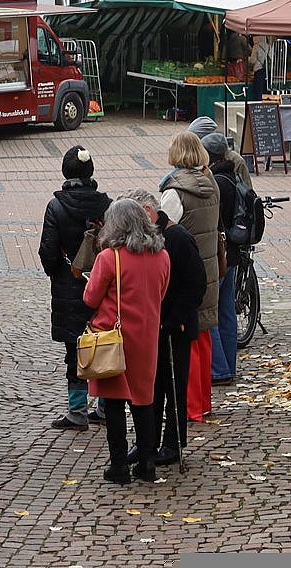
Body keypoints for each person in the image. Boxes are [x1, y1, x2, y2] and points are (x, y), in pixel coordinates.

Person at [81, 199, 172, 484]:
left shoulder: (110, 257)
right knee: (144, 402)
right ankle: (146, 463)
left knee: (115, 403)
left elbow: (90, 298)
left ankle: (119, 466)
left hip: (114, 338)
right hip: (146, 337)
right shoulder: (162, 256)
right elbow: (162, 293)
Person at [120, 189, 201, 470]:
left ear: (147, 211)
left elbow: (196, 285)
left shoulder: (178, 238)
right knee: (150, 388)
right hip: (152, 326)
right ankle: (147, 443)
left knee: (174, 388)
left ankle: (173, 443)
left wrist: (175, 317)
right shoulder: (148, 239)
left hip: (174, 327)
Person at [39, 146, 113, 430]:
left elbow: (47, 250)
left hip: (69, 283)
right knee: (104, 342)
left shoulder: (56, 206)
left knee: (74, 348)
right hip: (101, 282)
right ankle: (106, 406)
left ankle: (77, 410)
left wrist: (57, 274)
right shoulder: (106, 205)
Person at [158, 132, 221, 402]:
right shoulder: (211, 183)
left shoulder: (174, 192)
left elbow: (165, 235)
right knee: (204, 337)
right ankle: (203, 400)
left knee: (186, 340)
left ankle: (190, 405)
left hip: (185, 274)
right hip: (210, 268)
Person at [207, 134, 242, 386]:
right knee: (227, 312)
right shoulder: (234, 175)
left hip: (221, 254)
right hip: (234, 252)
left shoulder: (217, 182)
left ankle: (219, 369)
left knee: (212, 313)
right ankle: (229, 364)